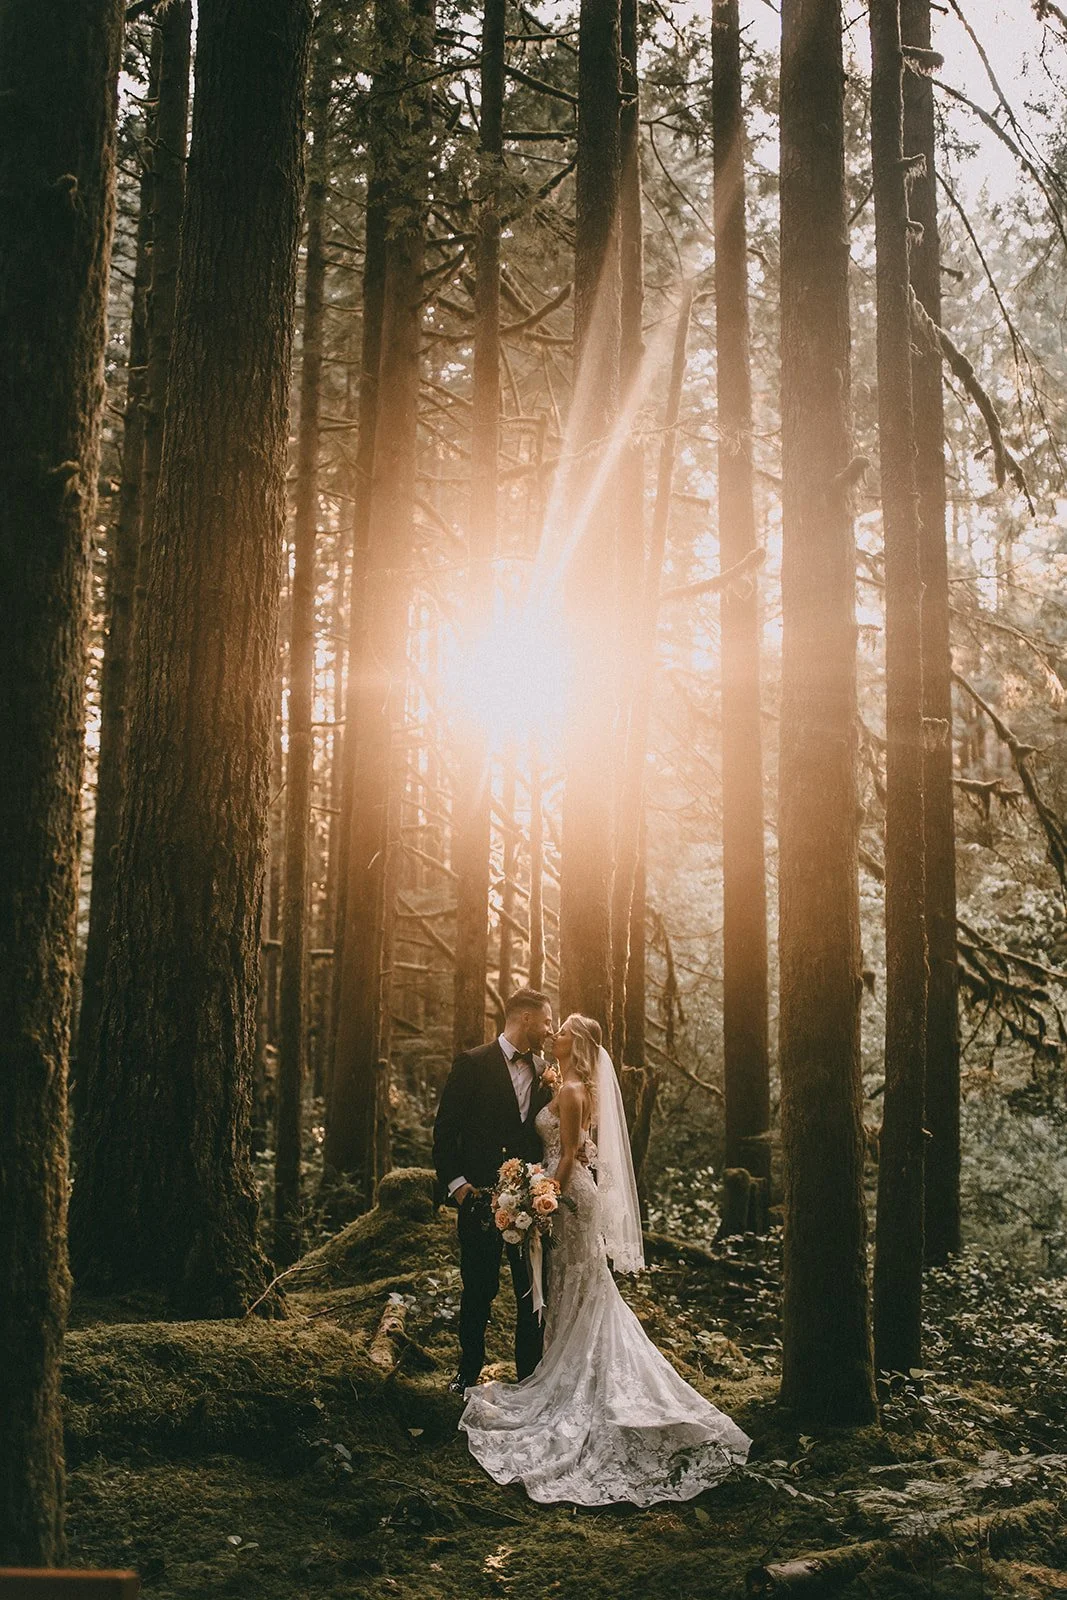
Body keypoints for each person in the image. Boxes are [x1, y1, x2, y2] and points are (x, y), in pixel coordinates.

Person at [458, 1013, 752, 1506]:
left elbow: (570, 1153)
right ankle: (566, 1368)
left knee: (578, 1282)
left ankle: (583, 1380)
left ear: (581, 1043)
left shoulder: (572, 1091)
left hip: (569, 1196)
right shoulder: (562, 1081)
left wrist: (543, 1193)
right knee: (568, 1284)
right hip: (558, 1192)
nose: (556, 1034)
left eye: (565, 1031)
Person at [433, 988, 556, 1394]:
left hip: (530, 1203)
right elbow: (445, 1130)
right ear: (524, 1019)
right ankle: (467, 1372)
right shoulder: (472, 1063)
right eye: (546, 1021)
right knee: (479, 1288)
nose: (549, 1029)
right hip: (479, 1199)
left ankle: (530, 1378)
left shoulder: (544, 1071)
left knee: (530, 1292)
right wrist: (457, 1186)